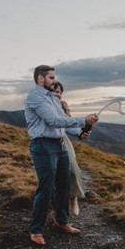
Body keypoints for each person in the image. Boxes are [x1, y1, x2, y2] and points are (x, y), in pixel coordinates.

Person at [24, 65, 98, 245]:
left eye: (54, 77)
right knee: (46, 187)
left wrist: (79, 132)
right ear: (40, 79)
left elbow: (63, 124)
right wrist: (83, 120)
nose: (54, 81)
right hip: (43, 146)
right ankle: (36, 230)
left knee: (63, 185)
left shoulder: (53, 98)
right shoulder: (35, 97)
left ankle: (61, 221)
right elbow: (54, 120)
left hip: (59, 145)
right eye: (50, 78)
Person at [53, 81, 84, 216]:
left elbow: (69, 126)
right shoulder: (45, 107)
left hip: (63, 141)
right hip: (47, 142)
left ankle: (73, 198)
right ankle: (56, 212)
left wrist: (81, 133)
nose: (57, 94)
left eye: (60, 92)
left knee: (72, 170)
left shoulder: (60, 108)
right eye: (55, 91)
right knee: (53, 178)